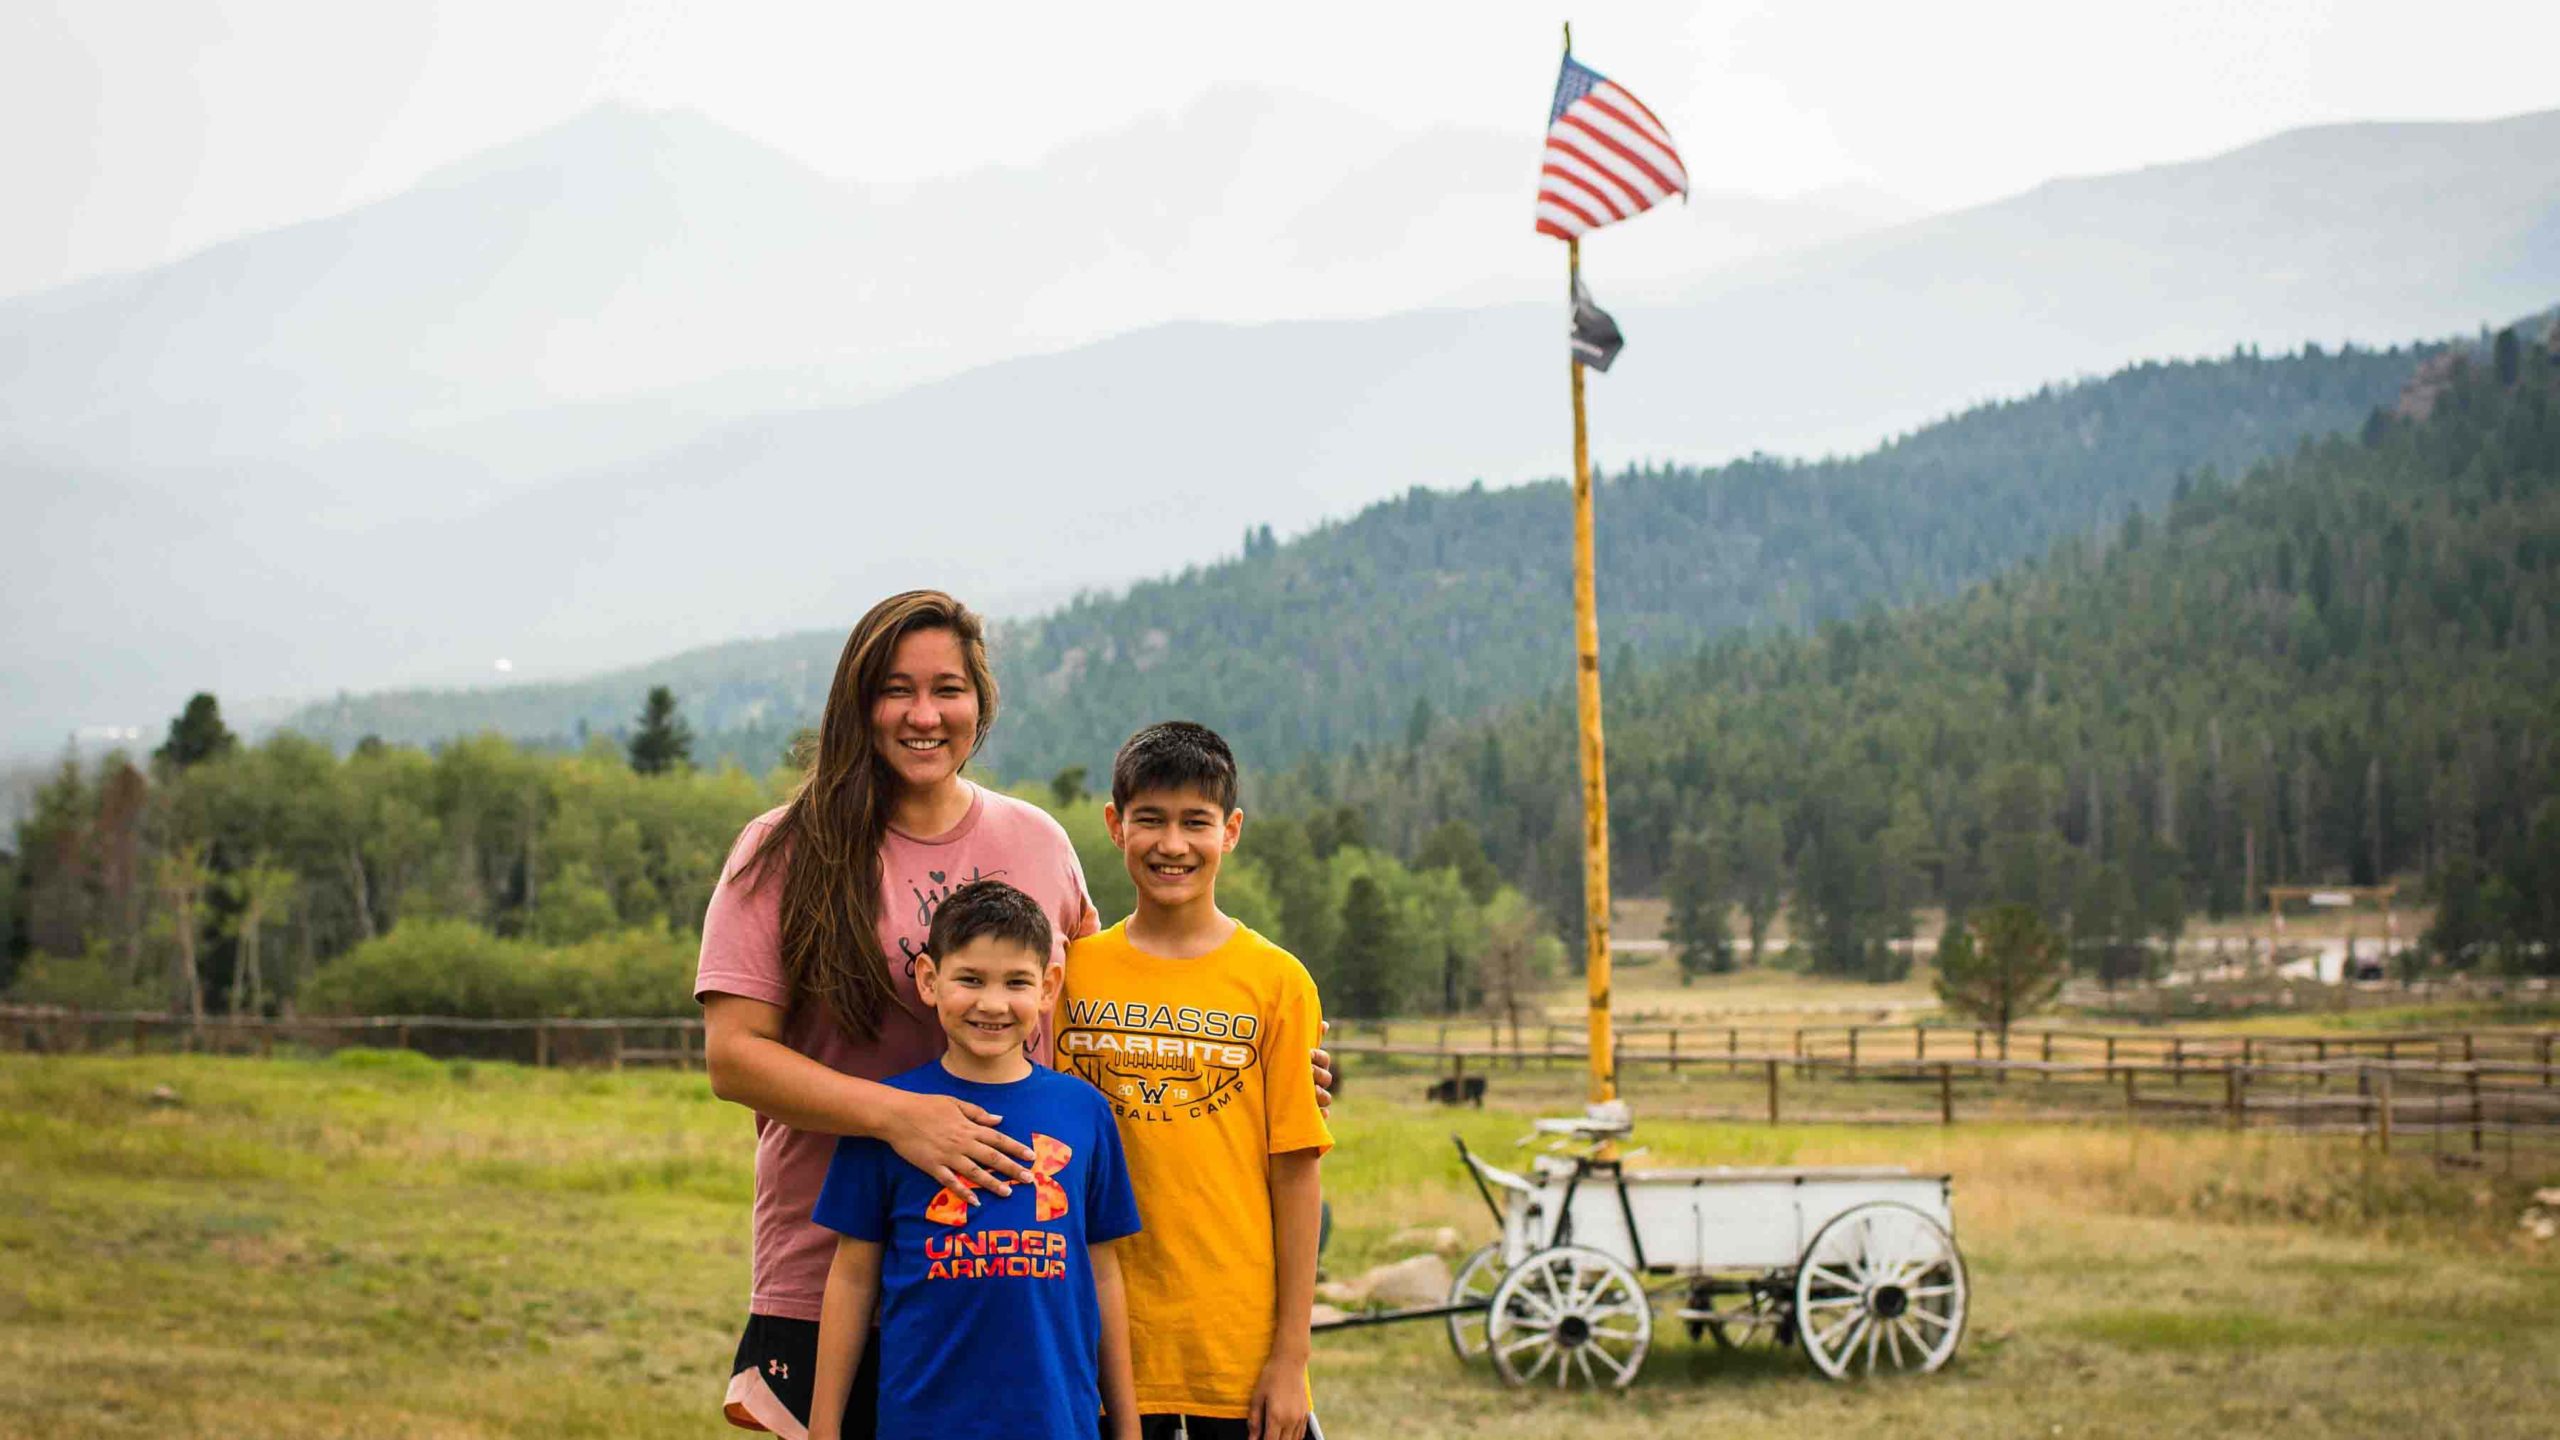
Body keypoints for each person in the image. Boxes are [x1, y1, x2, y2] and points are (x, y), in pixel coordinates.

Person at [696, 591, 1332, 1439]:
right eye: (896, 689)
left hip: (1024, 1276)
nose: (924, 715)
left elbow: (1094, 1017)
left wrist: (1265, 1062)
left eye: (948, 688)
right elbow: (735, 1058)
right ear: (857, 700)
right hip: (834, 1271)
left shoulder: (1036, 841)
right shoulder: (783, 848)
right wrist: (902, 1119)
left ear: (981, 701)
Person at [1055, 722, 1333, 1440]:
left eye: (1195, 822)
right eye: (1149, 819)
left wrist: (1290, 1358)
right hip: (1094, 1343)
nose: (1171, 844)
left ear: (1231, 830)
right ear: (1115, 826)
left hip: (1231, 1353)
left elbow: (1296, 1174)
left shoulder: (1277, 983)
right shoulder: (1069, 973)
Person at [808, 879, 1140, 1440]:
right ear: (930, 981)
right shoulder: (885, 1117)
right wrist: (823, 1428)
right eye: (970, 979)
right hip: (922, 1422)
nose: (992, 1003)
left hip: (1059, 1422)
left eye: (1016, 982)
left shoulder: (1084, 1113)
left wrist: (1127, 1428)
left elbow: (1103, 1273)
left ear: (1047, 986)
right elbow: (852, 1278)